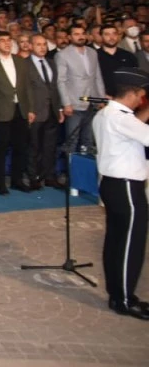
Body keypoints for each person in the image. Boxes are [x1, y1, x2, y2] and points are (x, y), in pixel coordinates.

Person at [91, 67, 149, 319]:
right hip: (127, 186)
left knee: (115, 241)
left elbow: (136, 125)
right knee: (131, 244)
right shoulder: (122, 119)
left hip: (112, 184)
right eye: (140, 96)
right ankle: (125, 299)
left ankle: (117, 293)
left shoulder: (106, 114)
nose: (141, 100)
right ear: (133, 93)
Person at [0, 30, 32, 195]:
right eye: (2, 40)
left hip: (21, 110)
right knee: (0, 149)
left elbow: (27, 88)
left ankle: (17, 180)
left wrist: (30, 109)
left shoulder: (21, 61)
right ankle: (0, 183)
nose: (7, 43)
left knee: (20, 148)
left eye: (9, 40)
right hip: (1, 112)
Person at [55, 23, 106, 154]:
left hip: (92, 103)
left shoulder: (92, 53)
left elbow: (97, 77)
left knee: (88, 140)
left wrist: (101, 99)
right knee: (72, 141)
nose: (80, 36)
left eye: (82, 33)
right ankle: (72, 173)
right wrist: (66, 104)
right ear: (69, 37)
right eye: (76, 34)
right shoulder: (62, 55)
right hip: (74, 104)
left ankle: (86, 172)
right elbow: (61, 81)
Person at [26, 34, 64, 190]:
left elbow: (56, 88)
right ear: (30, 46)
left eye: (44, 44)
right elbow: (24, 90)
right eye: (38, 44)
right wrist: (28, 110)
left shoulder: (52, 63)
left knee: (50, 147)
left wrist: (60, 108)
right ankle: (33, 177)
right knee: (33, 147)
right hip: (35, 112)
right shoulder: (24, 64)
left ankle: (49, 176)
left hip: (52, 111)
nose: (42, 47)